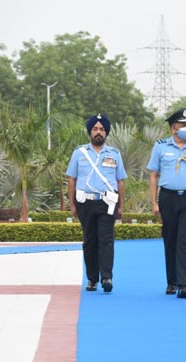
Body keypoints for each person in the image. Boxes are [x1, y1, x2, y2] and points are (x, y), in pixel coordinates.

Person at [147, 108, 186, 298]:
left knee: (184, 240)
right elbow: (153, 175)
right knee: (170, 239)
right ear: (174, 128)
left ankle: (183, 284)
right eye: (183, 125)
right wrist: (154, 202)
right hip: (168, 198)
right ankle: (171, 282)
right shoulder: (161, 146)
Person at [66, 113, 127, 293]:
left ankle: (106, 277)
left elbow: (120, 181)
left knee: (106, 239)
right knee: (90, 240)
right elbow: (72, 180)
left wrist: (121, 205)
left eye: (101, 129)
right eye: (95, 129)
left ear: (106, 133)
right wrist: (72, 205)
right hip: (85, 202)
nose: (98, 132)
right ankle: (92, 278)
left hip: (107, 202)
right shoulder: (79, 153)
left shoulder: (114, 154)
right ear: (90, 132)